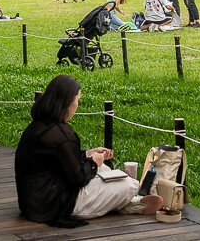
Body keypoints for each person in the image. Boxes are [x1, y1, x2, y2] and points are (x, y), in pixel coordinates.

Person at [15, 75, 163, 227]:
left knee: (106, 169)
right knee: (129, 185)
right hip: (56, 206)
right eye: (77, 100)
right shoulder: (62, 134)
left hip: (32, 204)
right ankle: (128, 203)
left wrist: (88, 154)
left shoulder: (37, 127)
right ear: (67, 102)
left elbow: (56, 159)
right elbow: (77, 178)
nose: (77, 105)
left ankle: (126, 204)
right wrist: (93, 162)